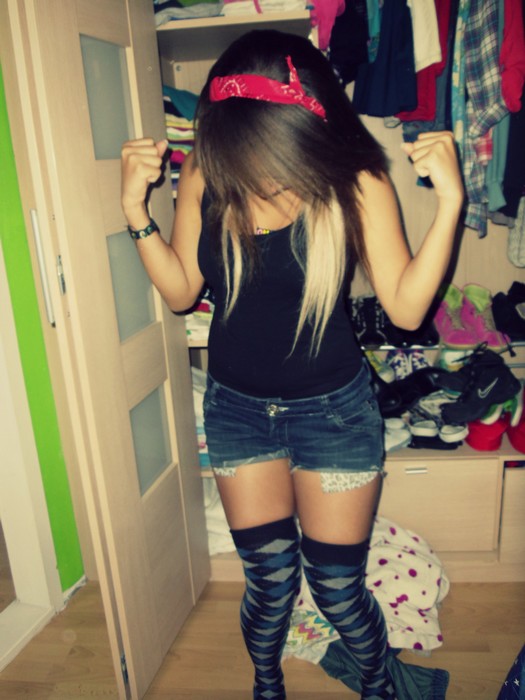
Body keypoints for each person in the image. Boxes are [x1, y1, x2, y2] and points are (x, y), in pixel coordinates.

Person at [121, 29, 463, 700]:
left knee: (337, 590)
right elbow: (182, 291)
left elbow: (404, 310)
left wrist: (449, 203)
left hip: (334, 414)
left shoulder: (355, 181)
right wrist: (136, 210)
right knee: (269, 585)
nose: (253, 170)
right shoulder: (206, 170)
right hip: (237, 411)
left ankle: (377, 685)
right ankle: (267, 684)